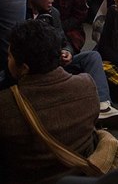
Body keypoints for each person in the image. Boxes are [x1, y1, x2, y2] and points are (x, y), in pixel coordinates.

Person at [26, 0, 118, 128]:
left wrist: (67, 51)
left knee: (92, 56)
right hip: (36, 69)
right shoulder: (19, 15)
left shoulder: (53, 13)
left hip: (57, 63)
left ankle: (104, 106)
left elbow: (63, 40)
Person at [0, 20, 100, 183]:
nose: (8, 60)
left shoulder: (5, 104)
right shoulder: (86, 84)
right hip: (83, 173)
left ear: (24, 68)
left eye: (10, 56)